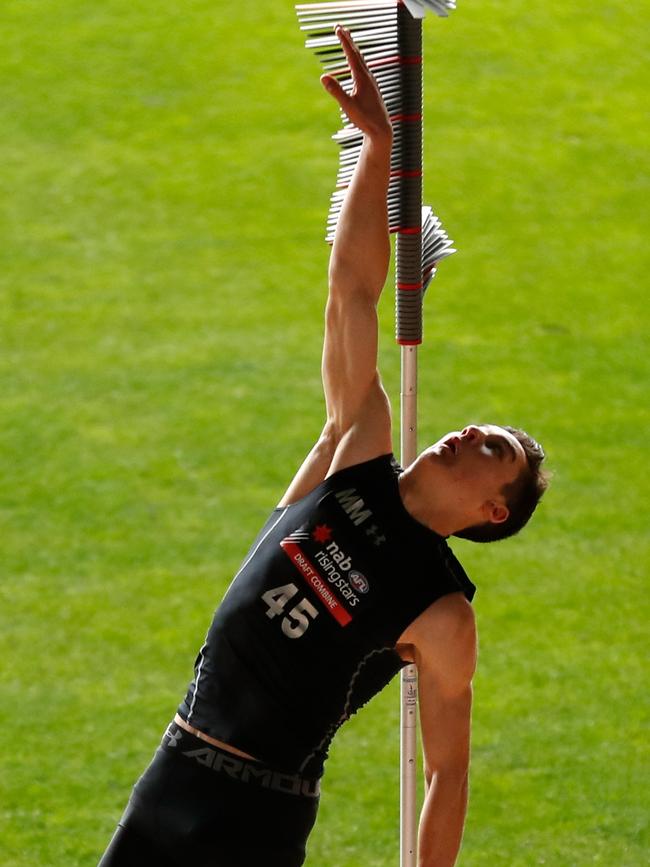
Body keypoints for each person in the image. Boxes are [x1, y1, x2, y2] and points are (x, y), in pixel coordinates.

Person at [98, 26, 548, 867]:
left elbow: (448, 769)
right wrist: (377, 147)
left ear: (492, 511)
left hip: (259, 814)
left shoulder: (442, 609)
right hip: (173, 769)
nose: (470, 432)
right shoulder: (353, 450)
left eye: (496, 450)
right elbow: (352, 291)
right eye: (479, 429)